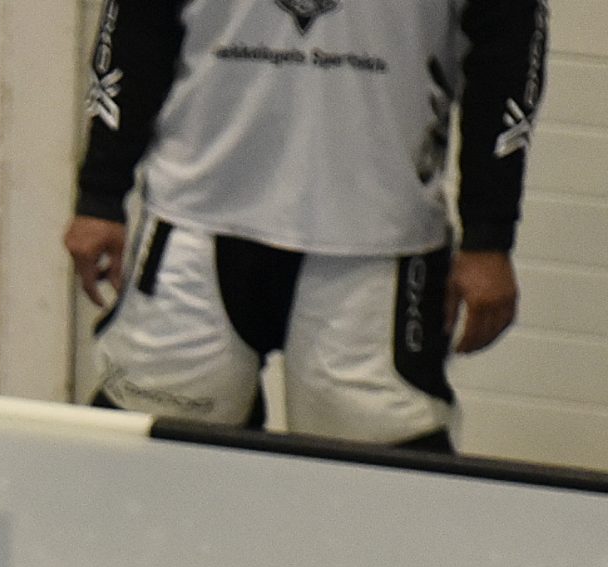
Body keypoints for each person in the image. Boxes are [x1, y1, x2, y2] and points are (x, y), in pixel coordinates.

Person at [66, 0, 548, 450]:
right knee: (156, 464)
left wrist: (489, 236)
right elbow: (136, 26)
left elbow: (507, 49)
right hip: (196, 218)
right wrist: (100, 194)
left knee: (375, 485)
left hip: (378, 240)